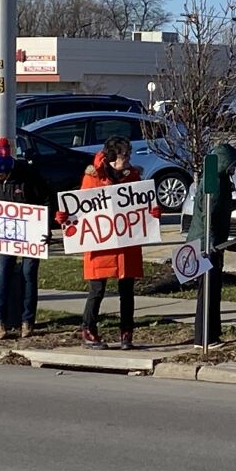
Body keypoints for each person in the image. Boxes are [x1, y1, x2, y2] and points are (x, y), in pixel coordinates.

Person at [75, 135, 153, 348]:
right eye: (123, 154)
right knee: (97, 290)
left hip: (126, 244)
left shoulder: (133, 176)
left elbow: (142, 205)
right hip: (100, 243)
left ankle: (126, 333)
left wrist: (152, 211)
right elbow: (80, 209)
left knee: (127, 290)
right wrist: (68, 219)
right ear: (111, 156)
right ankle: (88, 330)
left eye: (129, 154)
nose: (128, 158)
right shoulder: (92, 177)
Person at [194, 142, 236, 345]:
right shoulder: (214, 181)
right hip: (207, 245)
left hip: (214, 243)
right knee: (208, 292)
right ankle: (205, 337)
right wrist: (211, 244)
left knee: (213, 290)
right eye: (233, 164)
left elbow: (224, 207)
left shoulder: (219, 179)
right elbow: (209, 214)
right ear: (223, 162)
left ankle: (212, 334)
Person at [0, 138, 41, 341]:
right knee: (3, 274)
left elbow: (46, 197)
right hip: (5, 235)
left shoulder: (28, 175)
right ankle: (0, 322)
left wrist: (46, 227)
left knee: (28, 274)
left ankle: (28, 321)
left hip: (31, 234)